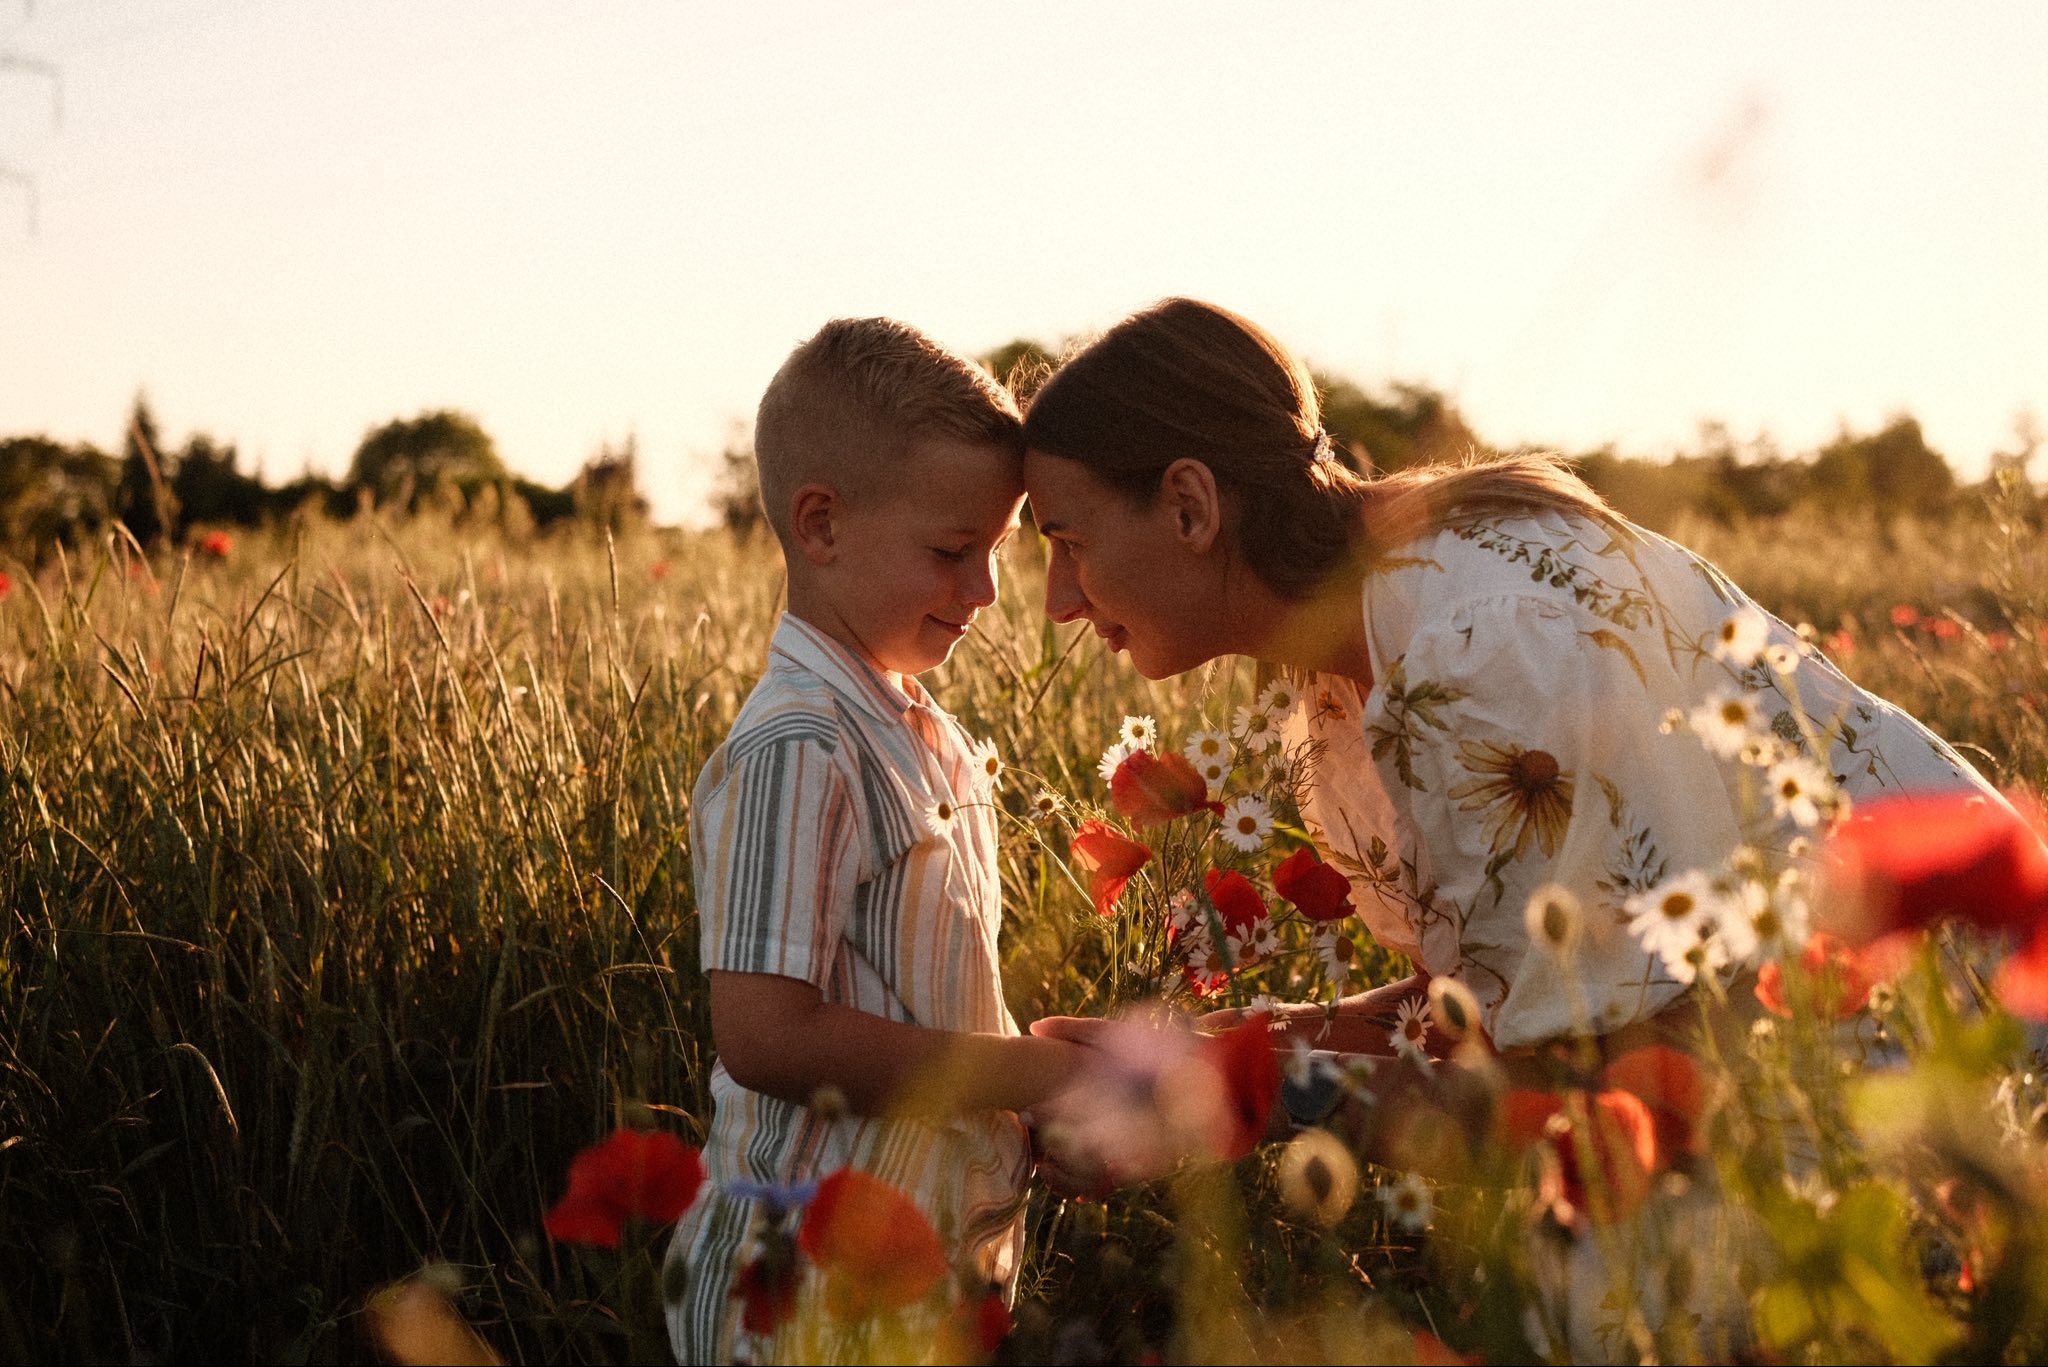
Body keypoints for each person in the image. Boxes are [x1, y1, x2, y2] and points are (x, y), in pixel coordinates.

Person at [1020, 297, 1999, 1083]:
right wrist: (1221, 1044)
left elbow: (1578, 1081)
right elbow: (1483, 1005)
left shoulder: (1479, 649)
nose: (1057, 598)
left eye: (1065, 540)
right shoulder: (1373, 627)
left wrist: (1222, 1099)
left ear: (1189, 505)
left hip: (1953, 1072)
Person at [667, 318, 1086, 1363]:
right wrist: (1027, 1075)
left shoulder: (917, 731)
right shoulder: (801, 743)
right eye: (952, 551)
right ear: (820, 524)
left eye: (995, 550)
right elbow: (767, 1035)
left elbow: (909, 1000)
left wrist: (1034, 1096)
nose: (986, 591)